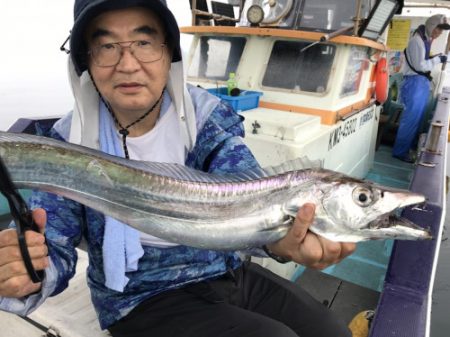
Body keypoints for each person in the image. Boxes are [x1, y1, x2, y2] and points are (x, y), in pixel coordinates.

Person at [0, 1, 356, 336]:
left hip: (226, 270)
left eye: (143, 41)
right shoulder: (69, 143)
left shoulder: (205, 119)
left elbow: (250, 197)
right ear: (86, 62)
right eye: (107, 46)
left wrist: (283, 242)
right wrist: (30, 272)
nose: (127, 64)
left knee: (330, 330)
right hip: (140, 296)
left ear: (168, 51)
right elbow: (53, 243)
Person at [392, 14, 450, 163]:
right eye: (438, 28)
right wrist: (438, 59)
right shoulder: (417, 41)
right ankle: (400, 152)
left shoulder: (425, 39)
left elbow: (422, 62)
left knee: (416, 119)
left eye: (442, 30)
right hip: (415, 83)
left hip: (420, 83)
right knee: (410, 119)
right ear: (431, 26)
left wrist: (435, 57)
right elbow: (420, 66)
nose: (440, 33)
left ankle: (408, 147)